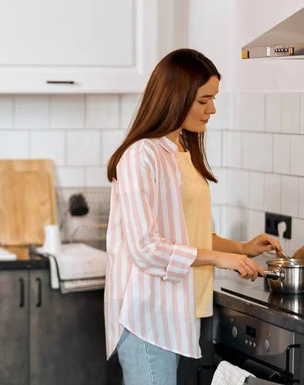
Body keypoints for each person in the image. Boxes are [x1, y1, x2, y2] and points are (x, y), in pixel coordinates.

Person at [104, 48, 280, 385]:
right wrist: (221, 259)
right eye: (204, 100)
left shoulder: (181, 150)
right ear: (176, 97)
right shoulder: (141, 155)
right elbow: (146, 248)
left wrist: (241, 249)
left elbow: (186, 234)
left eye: (213, 99)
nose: (212, 109)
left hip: (180, 308)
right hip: (146, 315)